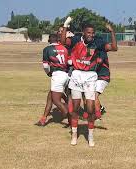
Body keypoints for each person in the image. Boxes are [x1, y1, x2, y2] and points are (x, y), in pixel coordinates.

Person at [61, 17, 117, 147]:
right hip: (76, 75)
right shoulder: (75, 40)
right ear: (83, 33)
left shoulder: (98, 42)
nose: (91, 35)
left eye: (93, 33)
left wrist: (112, 32)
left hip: (91, 76)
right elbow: (63, 41)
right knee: (75, 107)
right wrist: (65, 25)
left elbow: (114, 47)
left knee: (90, 108)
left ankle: (90, 136)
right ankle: (74, 134)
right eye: (88, 32)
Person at [36, 33, 70, 126]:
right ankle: (43, 119)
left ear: (49, 40)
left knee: (56, 100)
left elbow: (45, 65)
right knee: (50, 97)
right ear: (58, 40)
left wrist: (48, 73)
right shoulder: (64, 48)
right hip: (66, 74)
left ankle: (68, 114)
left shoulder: (47, 49)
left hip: (57, 75)